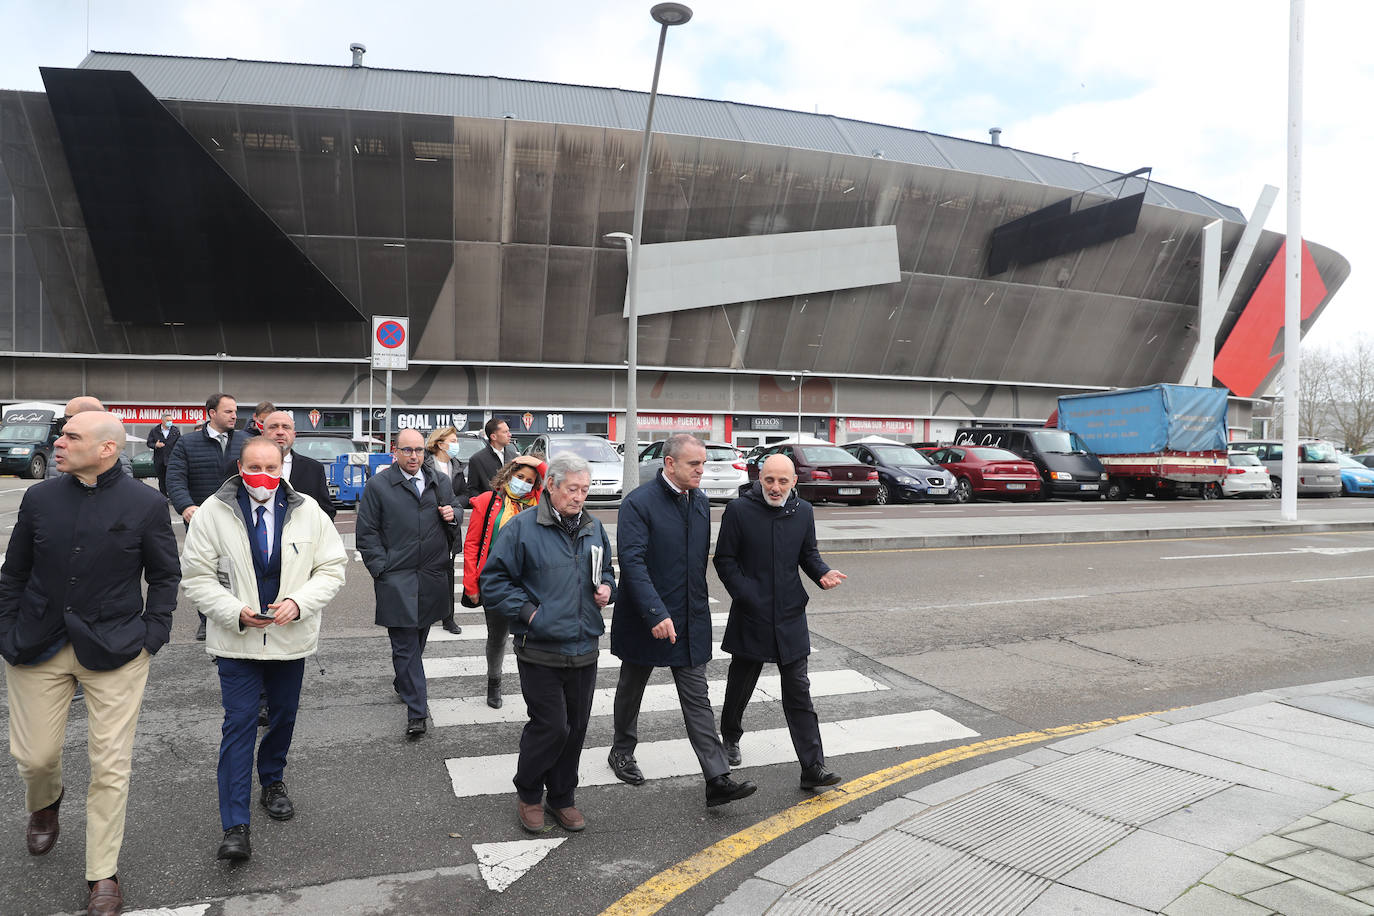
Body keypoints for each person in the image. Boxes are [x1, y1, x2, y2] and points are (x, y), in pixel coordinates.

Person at [0, 411, 180, 916]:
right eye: (60, 435)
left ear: (106, 449)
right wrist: (6, 629)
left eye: (70, 436)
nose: (58, 442)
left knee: (110, 767)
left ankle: (102, 873)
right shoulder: (39, 498)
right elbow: (13, 572)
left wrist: (153, 636)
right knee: (34, 757)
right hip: (36, 643)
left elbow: (166, 576)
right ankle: (46, 801)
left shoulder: (145, 504)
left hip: (117, 649)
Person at [181, 436, 346, 863]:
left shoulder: (308, 511)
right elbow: (196, 578)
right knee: (237, 725)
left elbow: (332, 568)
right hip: (237, 640)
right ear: (239, 466)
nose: (263, 477)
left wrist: (299, 603)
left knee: (284, 716)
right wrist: (234, 612)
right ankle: (235, 826)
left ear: (283, 468)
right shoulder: (213, 513)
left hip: (290, 639)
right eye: (254, 468)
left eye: (272, 469)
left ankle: (272, 778)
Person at [609, 434, 756, 807]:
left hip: (689, 618)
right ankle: (622, 750)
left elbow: (697, 565)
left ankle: (717, 777)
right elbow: (633, 562)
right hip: (648, 616)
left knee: (697, 698)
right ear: (670, 464)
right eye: (694, 464)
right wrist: (655, 612)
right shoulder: (638, 504)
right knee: (631, 687)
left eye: (703, 464)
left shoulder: (701, 502)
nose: (701, 471)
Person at [480, 452, 616, 834]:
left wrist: (608, 588)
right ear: (551, 485)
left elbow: (606, 570)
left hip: (584, 643)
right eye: (572, 489)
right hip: (540, 646)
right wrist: (530, 615)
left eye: (585, 490)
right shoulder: (522, 528)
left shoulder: (593, 528)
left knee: (575, 727)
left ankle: (562, 797)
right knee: (551, 725)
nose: (579, 497)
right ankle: (528, 793)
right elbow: (494, 582)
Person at [715, 454, 848, 791]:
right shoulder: (739, 511)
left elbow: (808, 554)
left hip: (790, 613)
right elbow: (725, 560)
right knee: (741, 683)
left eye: (783, 481)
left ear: (794, 482)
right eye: (769, 480)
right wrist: (746, 595)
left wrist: (822, 573)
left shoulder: (803, 511)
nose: (775, 487)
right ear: (760, 478)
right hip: (752, 612)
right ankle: (730, 735)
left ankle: (812, 766)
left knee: (799, 691)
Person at [355, 429, 462, 739]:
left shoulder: (438, 481)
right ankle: (417, 712)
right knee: (405, 645)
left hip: (431, 575)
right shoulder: (378, 486)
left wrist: (451, 513)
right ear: (395, 452)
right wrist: (381, 569)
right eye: (407, 450)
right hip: (396, 578)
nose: (414, 456)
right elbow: (367, 533)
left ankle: (405, 682)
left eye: (418, 450)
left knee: (417, 641)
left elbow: (457, 508)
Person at [461, 456, 544, 709]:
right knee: (497, 638)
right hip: (495, 583)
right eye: (519, 477)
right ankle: (493, 683)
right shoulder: (487, 501)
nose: (523, 484)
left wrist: (538, 466)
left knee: (530, 638)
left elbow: (549, 478)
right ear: (508, 474)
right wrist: (471, 585)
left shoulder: (539, 505)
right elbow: (472, 544)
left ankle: (535, 689)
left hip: (529, 584)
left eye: (529, 481)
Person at [167, 393, 246, 641]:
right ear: (211, 413)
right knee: (205, 571)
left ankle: (239, 614)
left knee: (240, 569)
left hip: (239, 519)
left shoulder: (246, 441)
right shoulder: (187, 443)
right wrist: (186, 506)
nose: (234, 416)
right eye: (228, 411)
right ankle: (207, 620)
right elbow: (175, 478)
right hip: (201, 520)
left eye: (235, 411)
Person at [424, 426, 470, 636]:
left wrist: (452, 505)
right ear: (440, 443)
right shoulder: (425, 464)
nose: (455, 444)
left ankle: (448, 618)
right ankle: (423, 614)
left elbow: (464, 495)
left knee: (448, 574)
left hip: (450, 527)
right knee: (425, 573)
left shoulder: (457, 466)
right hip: (428, 525)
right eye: (452, 440)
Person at [260, 411, 336, 520]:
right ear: (263, 434)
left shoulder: (314, 470)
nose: (280, 432)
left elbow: (326, 512)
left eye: (286, 427)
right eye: (273, 427)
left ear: (293, 435)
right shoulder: (241, 467)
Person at [46, 397, 133, 480]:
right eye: (65, 417)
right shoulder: (60, 449)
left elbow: (125, 491)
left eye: (69, 417)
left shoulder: (116, 458)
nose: (58, 443)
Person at [467, 418, 519, 494]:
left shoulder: (514, 457)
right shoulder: (477, 459)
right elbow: (472, 489)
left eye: (508, 431)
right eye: (505, 432)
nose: (510, 434)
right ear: (493, 437)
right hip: (489, 504)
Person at [145, 411, 180, 496]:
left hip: (171, 460)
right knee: (162, 479)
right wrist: (155, 445)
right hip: (159, 460)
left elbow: (179, 443)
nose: (170, 422)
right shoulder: (155, 430)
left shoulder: (175, 430)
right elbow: (149, 443)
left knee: (171, 479)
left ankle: (172, 495)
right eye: (168, 420)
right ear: (162, 421)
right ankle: (163, 496)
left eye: (171, 420)